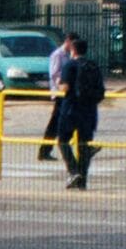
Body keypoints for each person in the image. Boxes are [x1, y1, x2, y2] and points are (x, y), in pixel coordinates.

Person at [56, 35, 104, 191]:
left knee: (63, 140)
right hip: (89, 111)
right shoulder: (93, 65)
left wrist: (58, 83)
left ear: (73, 50)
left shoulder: (70, 65)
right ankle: (83, 181)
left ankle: (74, 171)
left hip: (70, 109)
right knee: (84, 145)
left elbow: (65, 88)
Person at [38, 31, 75, 162]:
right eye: (73, 43)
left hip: (67, 92)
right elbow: (54, 74)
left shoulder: (70, 55)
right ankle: (45, 150)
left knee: (60, 123)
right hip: (60, 93)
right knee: (54, 124)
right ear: (68, 41)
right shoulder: (57, 55)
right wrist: (63, 85)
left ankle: (46, 150)